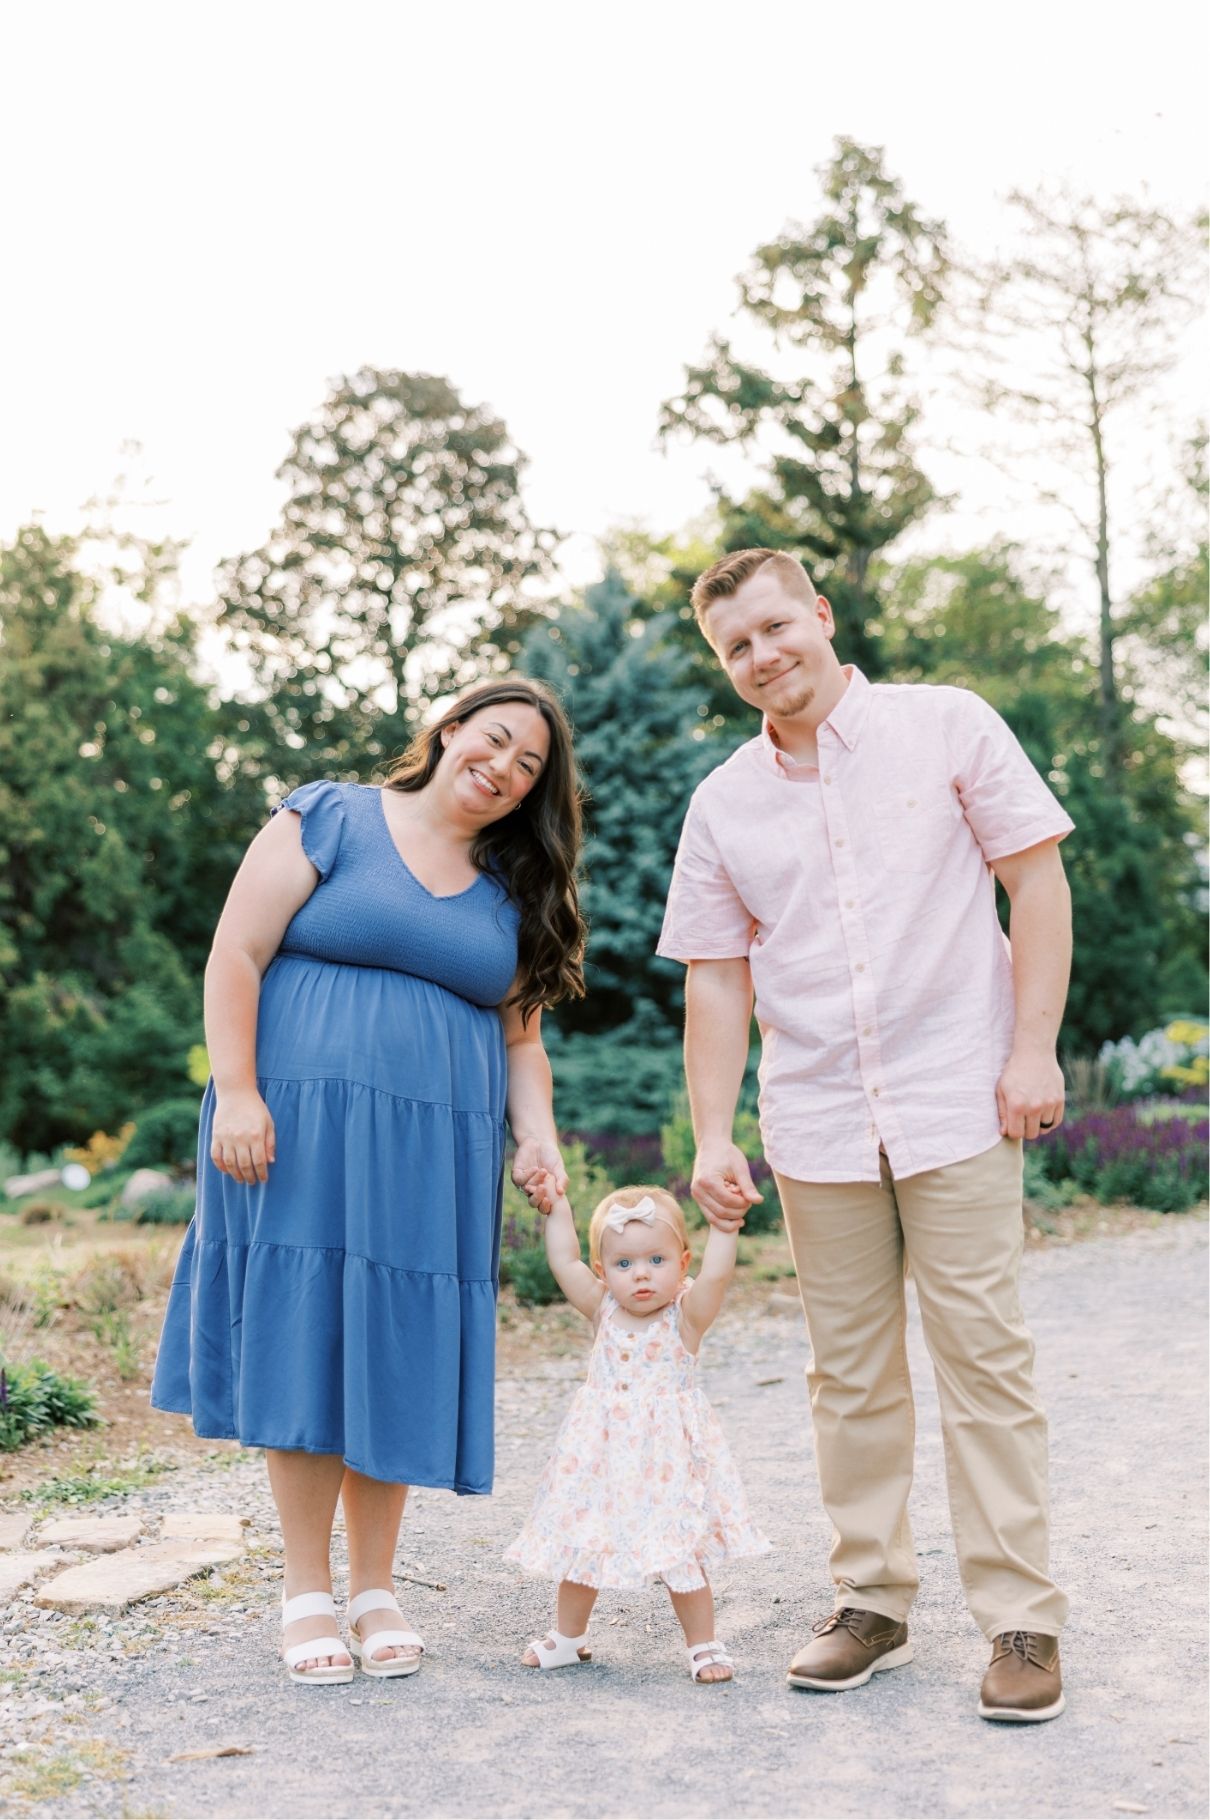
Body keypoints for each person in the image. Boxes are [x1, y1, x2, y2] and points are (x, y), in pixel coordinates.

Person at [657, 548, 1074, 1722]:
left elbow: (1034, 883)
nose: (762, 655)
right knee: (847, 1373)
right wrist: (711, 1132)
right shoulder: (723, 802)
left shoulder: (946, 725)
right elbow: (718, 980)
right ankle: (871, 1600)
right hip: (819, 1120)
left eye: (776, 626)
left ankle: (1022, 1620)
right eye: (735, 646)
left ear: (821, 614)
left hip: (956, 1094)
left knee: (983, 1359)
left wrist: (1031, 1047)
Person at [151, 678, 585, 1685]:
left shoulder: (513, 885)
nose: (506, 769)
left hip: (434, 1152)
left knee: (395, 1341)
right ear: (447, 730)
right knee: (306, 1336)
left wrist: (538, 1138)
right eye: (496, 740)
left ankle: (376, 1585)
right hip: (295, 1129)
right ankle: (306, 1590)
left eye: (529, 766)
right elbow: (237, 952)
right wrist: (239, 1090)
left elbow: (522, 1040)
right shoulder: (331, 814)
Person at [504, 1183, 770, 1683]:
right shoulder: (602, 1308)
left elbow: (716, 1275)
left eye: (656, 1260)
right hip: (600, 1458)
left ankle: (703, 1644)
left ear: (682, 1263)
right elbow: (565, 1261)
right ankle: (569, 1638)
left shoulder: (686, 1318)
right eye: (624, 1265)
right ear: (604, 1273)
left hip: (666, 1462)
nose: (641, 1273)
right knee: (585, 1545)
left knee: (680, 1550)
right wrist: (558, 1206)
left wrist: (725, 1227)